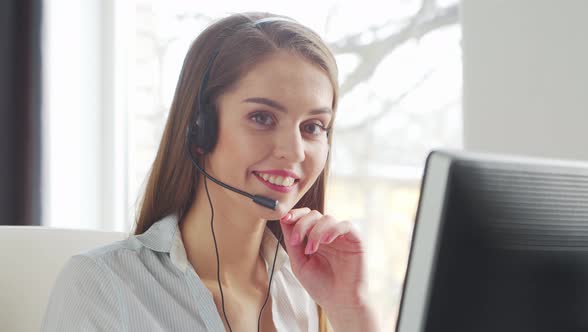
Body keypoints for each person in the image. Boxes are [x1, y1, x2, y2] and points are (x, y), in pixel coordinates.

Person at [42, 12, 378, 332]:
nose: (294, 151)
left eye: (313, 127)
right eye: (262, 118)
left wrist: (351, 309)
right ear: (199, 128)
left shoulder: (304, 288)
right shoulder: (102, 285)